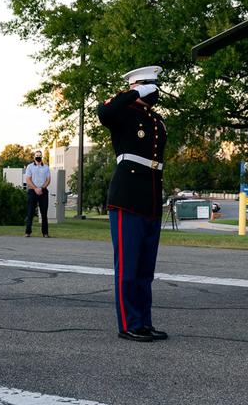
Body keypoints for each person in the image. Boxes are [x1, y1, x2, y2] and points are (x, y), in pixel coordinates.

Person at [97, 65, 168, 343]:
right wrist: (130, 94)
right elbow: (104, 112)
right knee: (128, 266)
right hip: (127, 195)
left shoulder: (156, 119)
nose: (155, 90)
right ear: (137, 86)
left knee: (145, 268)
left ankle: (144, 322)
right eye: (150, 85)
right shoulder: (122, 112)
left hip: (150, 194)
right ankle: (128, 324)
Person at [24, 150, 51, 238]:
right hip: (32, 191)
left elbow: (48, 180)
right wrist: (35, 188)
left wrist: (42, 188)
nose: (38, 156)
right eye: (37, 155)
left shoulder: (46, 167)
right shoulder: (30, 167)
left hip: (43, 191)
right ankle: (28, 232)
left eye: (39, 155)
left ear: (41, 156)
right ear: (34, 157)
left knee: (44, 213)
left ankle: (45, 233)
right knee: (30, 212)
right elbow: (28, 179)